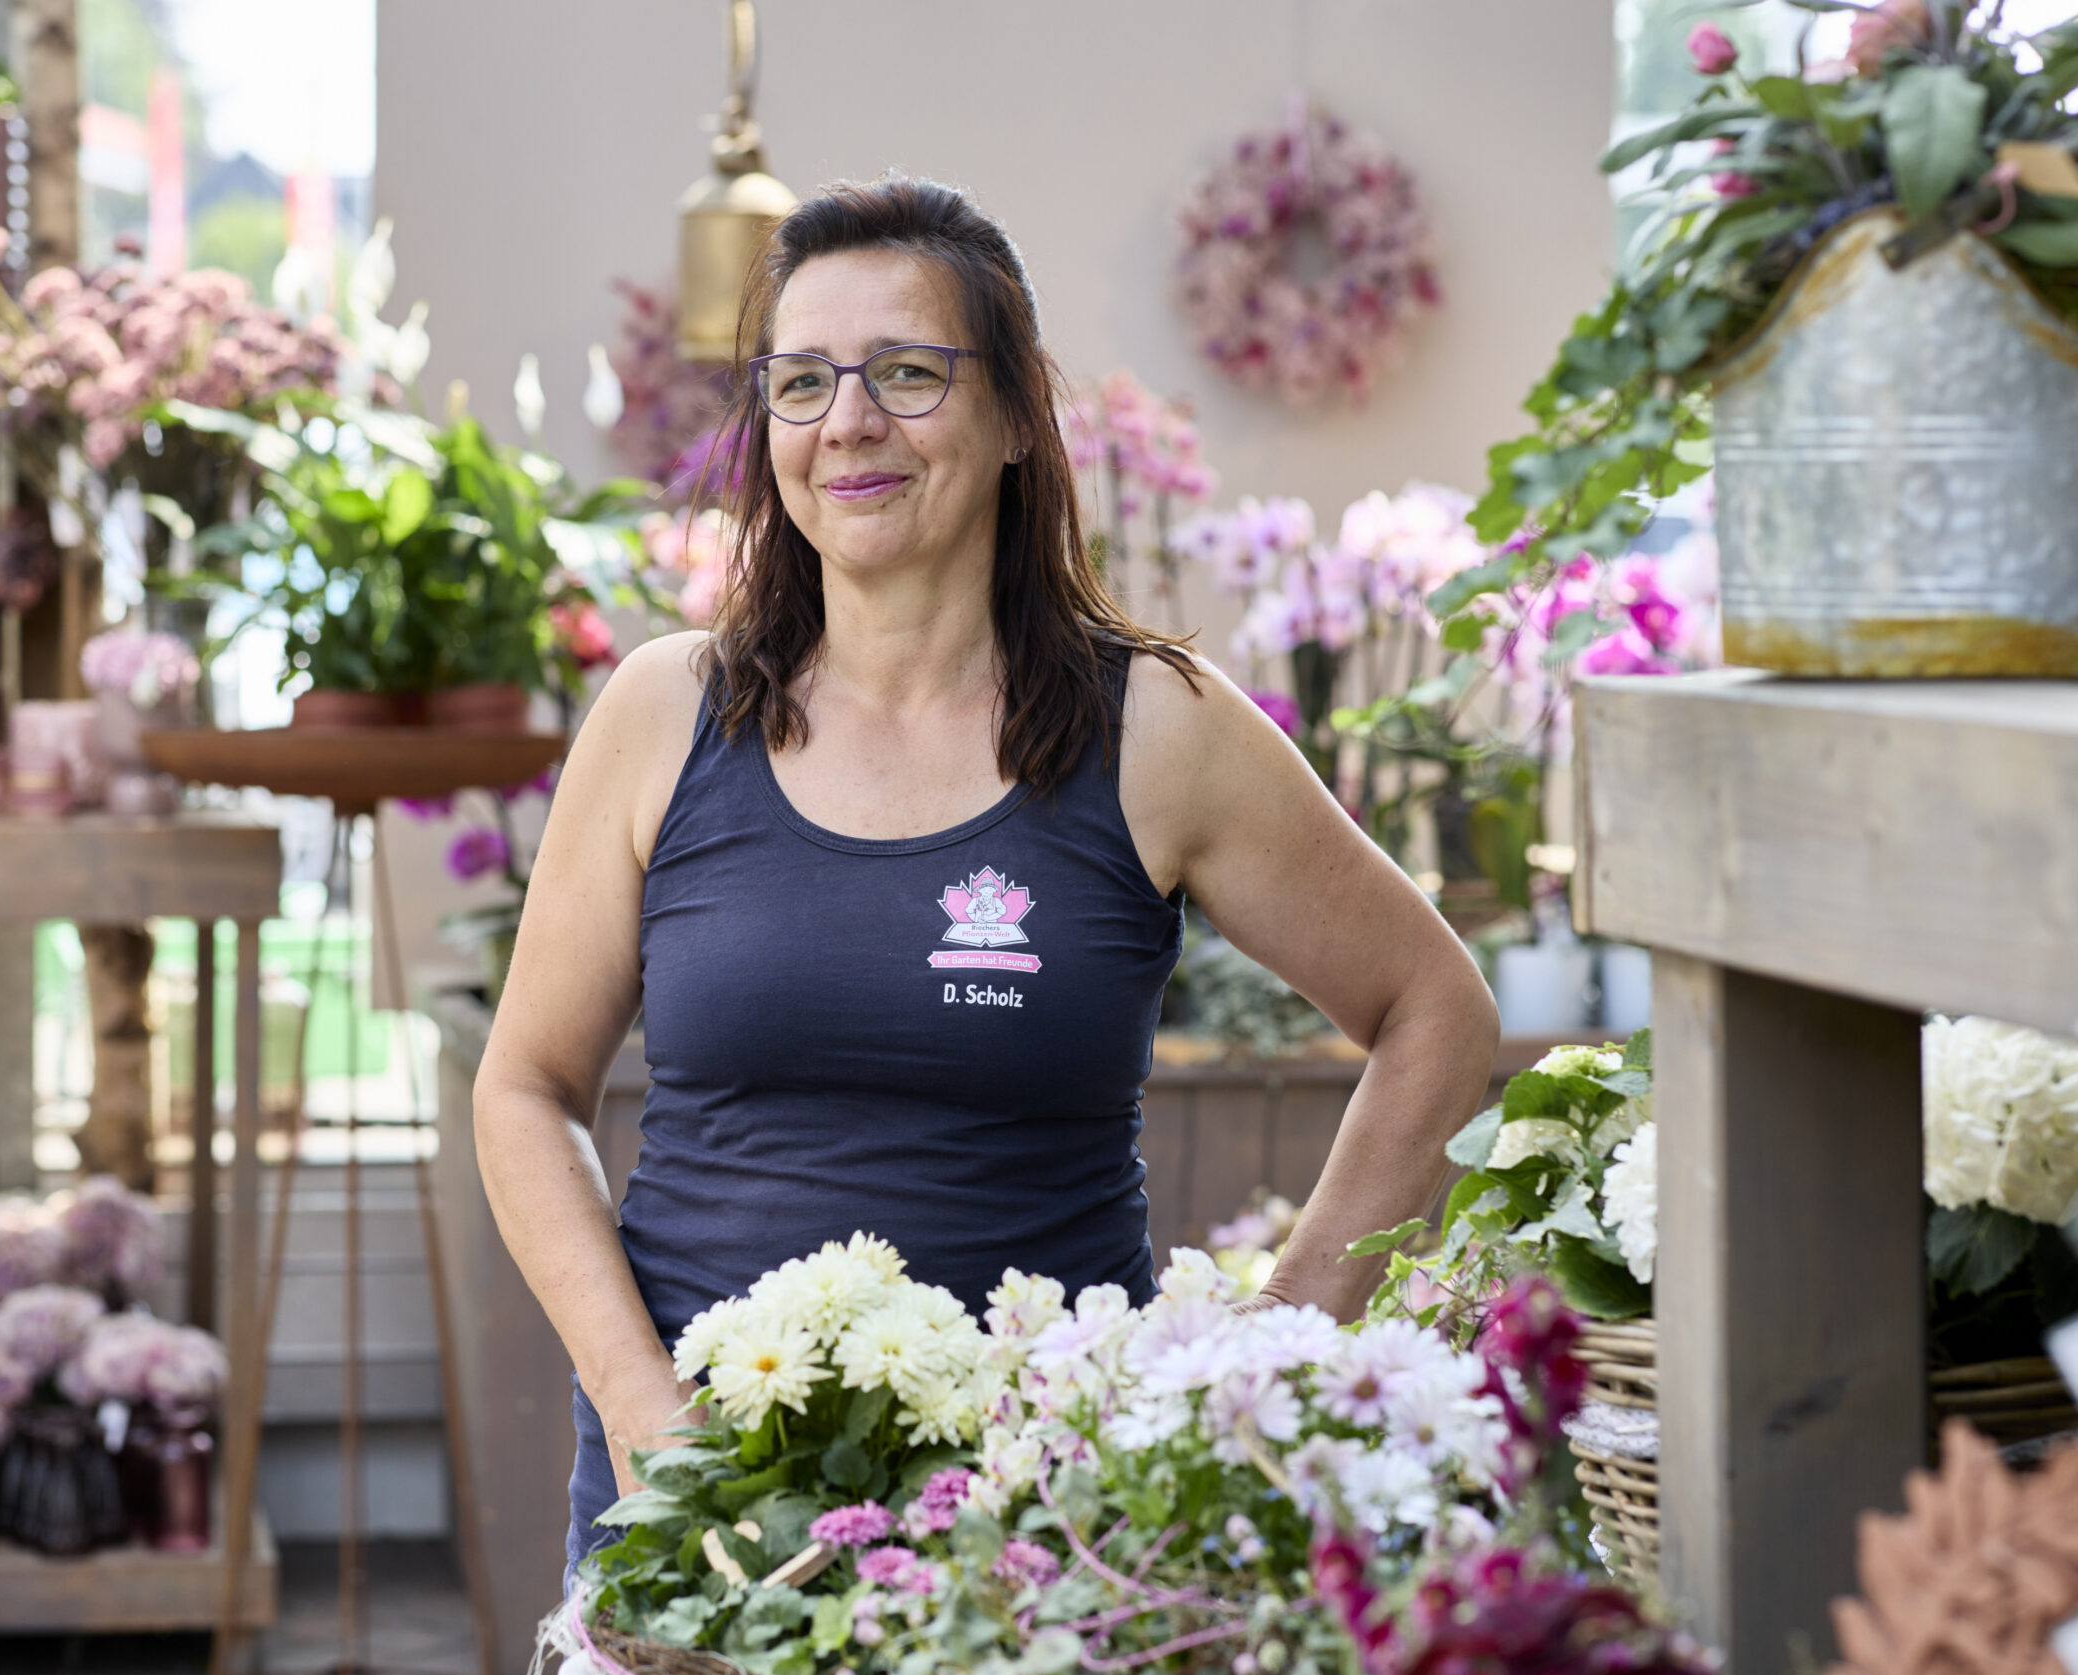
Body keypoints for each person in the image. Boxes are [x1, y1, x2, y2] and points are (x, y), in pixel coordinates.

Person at [472, 176, 1500, 1587]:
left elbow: (1436, 1008)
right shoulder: (665, 715)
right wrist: (645, 1418)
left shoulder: (1158, 731)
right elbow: (525, 1089)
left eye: (907, 372)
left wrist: (1270, 1352)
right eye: (803, 380)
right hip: (705, 1514)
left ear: (1018, 416)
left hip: (1042, 1526)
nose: (849, 423)